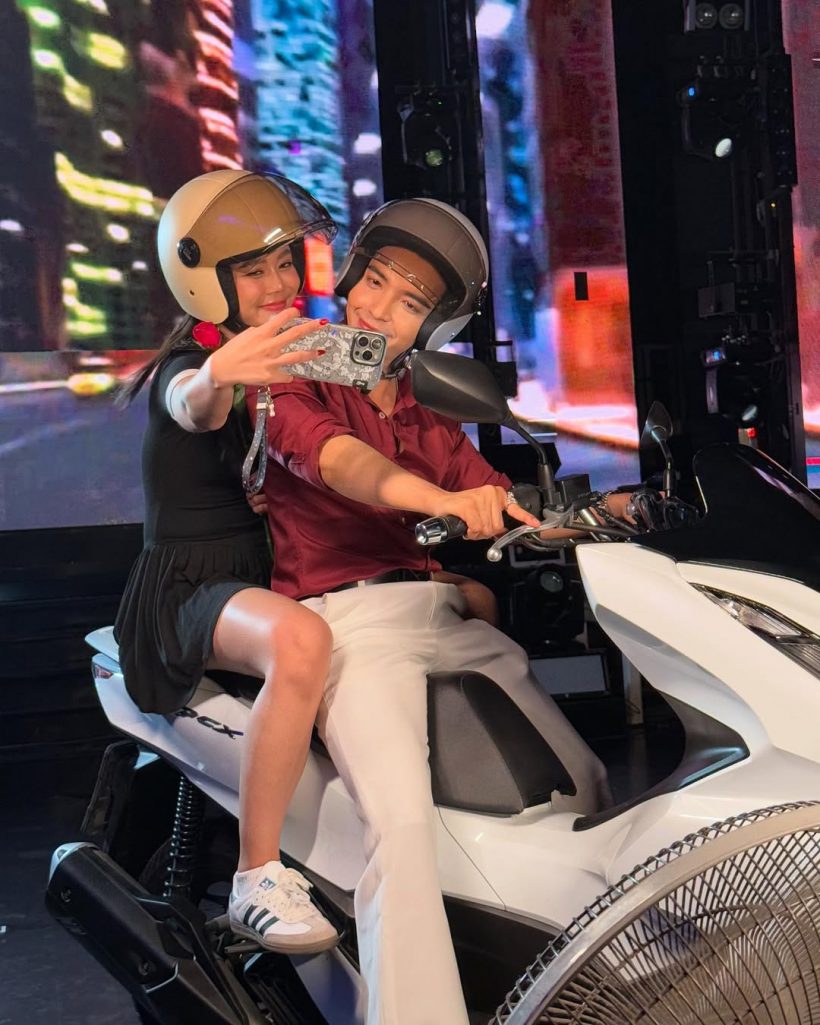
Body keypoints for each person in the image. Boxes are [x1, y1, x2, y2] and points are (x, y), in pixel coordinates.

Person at [252, 198, 613, 1024]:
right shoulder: (296, 363)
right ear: (350, 276)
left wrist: (615, 512)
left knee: (584, 782)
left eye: (410, 301)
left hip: (442, 618)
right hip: (350, 625)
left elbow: (505, 502)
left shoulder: (424, 408)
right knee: (404, 828)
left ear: (436, 327)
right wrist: (439, 499)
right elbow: (335, 461)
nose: (379, 307)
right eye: (375, 280)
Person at [115, 169, 340, 954]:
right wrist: (218, 374)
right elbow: (194, 403)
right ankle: (257, 875)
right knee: (302, 641)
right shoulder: (192, 364)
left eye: (283, 264)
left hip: (261, 571)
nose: (278, 284)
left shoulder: (298, 356)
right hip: (190, 590)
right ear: (205, 282)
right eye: (253, 271)